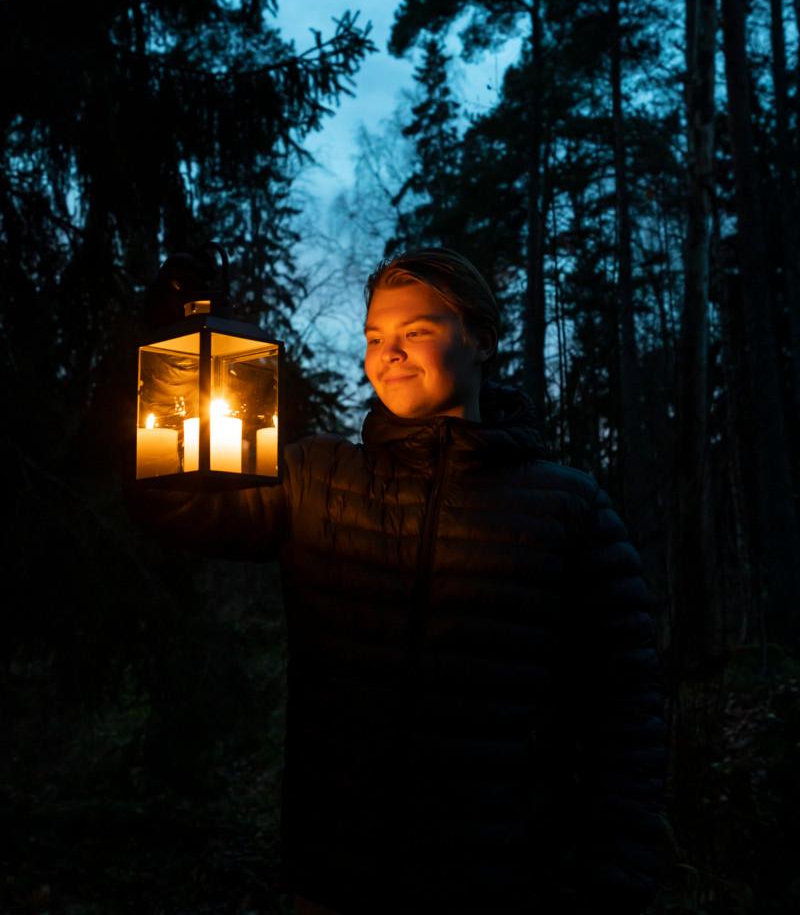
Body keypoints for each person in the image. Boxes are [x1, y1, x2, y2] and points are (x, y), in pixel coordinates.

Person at [134, 247, 665, 915]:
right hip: (337, 877)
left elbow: (627, 713)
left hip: (506, 881)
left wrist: (616, 879)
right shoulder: (315, 478)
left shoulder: (570, 509)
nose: (390, 351)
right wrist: (165, 356)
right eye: (376, 337)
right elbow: (175, 507)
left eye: (417, 331)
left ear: (482, 341)